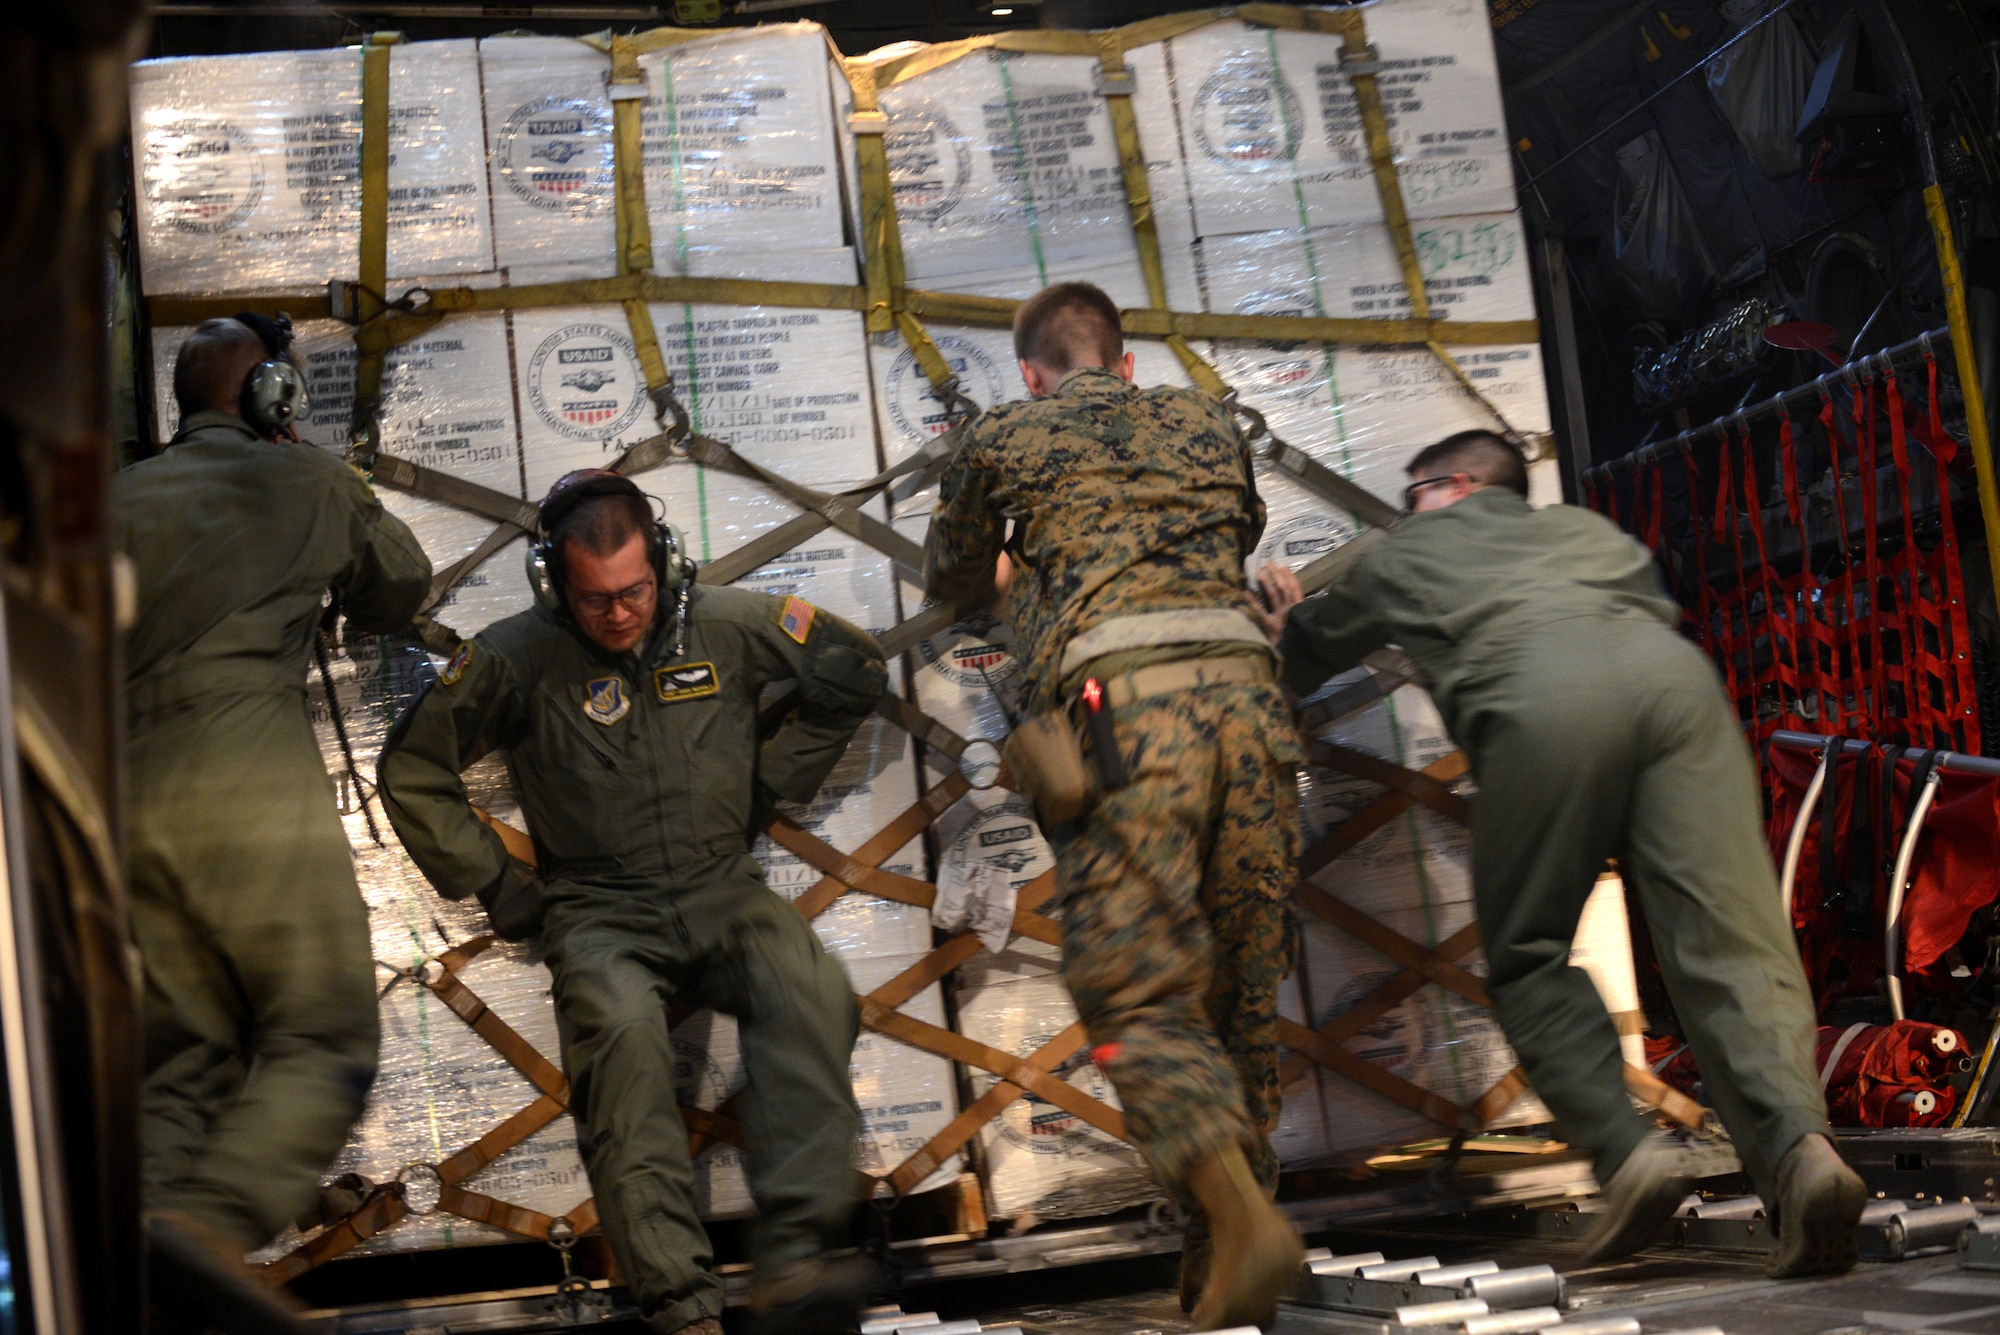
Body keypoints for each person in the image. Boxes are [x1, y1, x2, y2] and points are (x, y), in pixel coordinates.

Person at [1263, 429, 1866, 1278]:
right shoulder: (1589, 531)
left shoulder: (1421, 544)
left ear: (1454, 486)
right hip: (1679, 691)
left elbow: (1301, 652)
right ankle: (1805, 1152)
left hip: (1545, 701)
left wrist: (1285, 617)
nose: (1409, 511)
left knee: (1529, 954)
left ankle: (1629, 1155)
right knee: (1732, 944)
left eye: (1414, 494)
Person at [377, 470, 886, 1335]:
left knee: (812, 991)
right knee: (622, 1052)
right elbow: (411, 768)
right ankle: (681, 1306)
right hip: (600, 909)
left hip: (722, 889)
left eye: (635, 590)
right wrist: (498, 884)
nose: (619, 613)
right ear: (552, 583)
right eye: (595, 598)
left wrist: (770, 781)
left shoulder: (727, 624)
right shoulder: (515, 657)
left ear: (666, 565)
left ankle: (795, 1259)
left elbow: (854, 666)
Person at [924, 282, 1306, 1331]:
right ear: (1125, 361)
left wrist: (1015, 575)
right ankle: (1222, 1269)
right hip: (1252, 711)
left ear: (1033, 374)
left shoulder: (1004, 433)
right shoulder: (1206, 420)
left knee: (1133, 993)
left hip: (1130, 724)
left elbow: (952, 583)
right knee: (1239, 998)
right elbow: (1210, 544)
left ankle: (1239, 1222)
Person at [120, 315, 432, 1254]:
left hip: (127, 804)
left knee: (181, 1063)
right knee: (323, 1035)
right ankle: (202, 1238)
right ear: (274, 396)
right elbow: (399, 586)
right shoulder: (306, 480)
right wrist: (325, 475)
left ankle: (141, 1272)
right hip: (249, 780)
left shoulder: (108, 502)